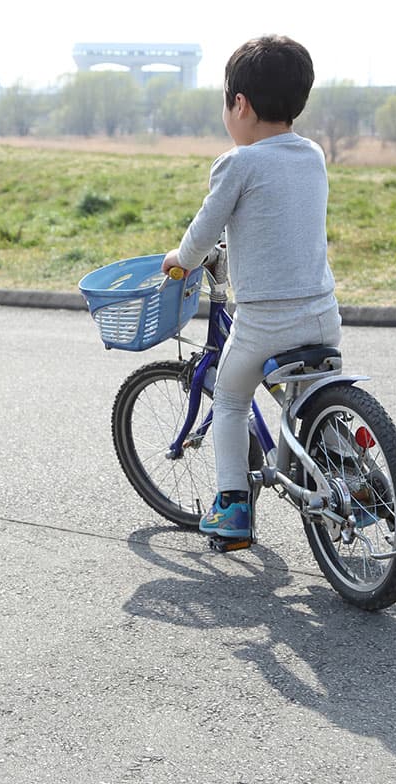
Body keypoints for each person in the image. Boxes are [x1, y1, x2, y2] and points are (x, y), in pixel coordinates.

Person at [161, 35, 341, 542]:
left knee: (230, 397)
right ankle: (349, 468)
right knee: (310, 395)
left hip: (265, 323)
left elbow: (203, 230)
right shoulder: (313, 155)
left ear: (239, 104)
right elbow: (275, 221)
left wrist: (181, 261)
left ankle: (233, 508)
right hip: (323, 314)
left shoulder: (237, 163)